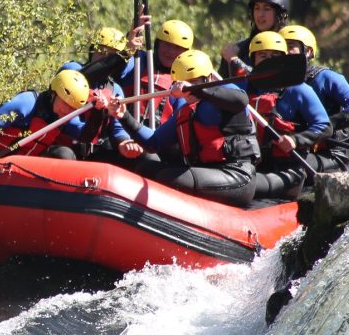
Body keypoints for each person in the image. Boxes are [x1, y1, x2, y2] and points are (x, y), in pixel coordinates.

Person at [105, 49, 261, 208]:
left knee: (168, 176)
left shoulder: (227, 91)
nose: (187, 87)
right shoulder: (185, 111)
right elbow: (153, 143)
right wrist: (124, 116)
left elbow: (241, 100)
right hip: (206, 173)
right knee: (145, 168)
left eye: (194, 81)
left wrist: (196, 89)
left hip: (237, 175)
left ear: (207, 78)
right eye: (183, 82)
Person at [244, 31, 331, 200]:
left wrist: (295, 140)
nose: (269, 61)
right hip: (252, 167)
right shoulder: (241, 87)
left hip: (288, 173)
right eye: (262, 56)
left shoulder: (298, 89)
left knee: (242, 183)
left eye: (274, 56)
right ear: (253, 60)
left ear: (283, 60)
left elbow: (325, 127)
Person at [279, 24, 349, 173]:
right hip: (295, 148)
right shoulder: (275, 84)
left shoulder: (326, 78)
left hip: (330, 154)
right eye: (282, 47)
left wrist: (321, 128)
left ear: (308, 51)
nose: (285, 52)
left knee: (289, 164)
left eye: (291, 46)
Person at [0, 69, 99, 169]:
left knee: (65, 154)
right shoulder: (26, 103)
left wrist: (99, 112)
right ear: (53, 94)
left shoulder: (66, 117)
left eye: (72, 108)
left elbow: (85, 137)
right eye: (65, 104)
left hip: (24, 167)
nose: (68, 111)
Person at [117, 19, 195, 125]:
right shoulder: (140, 59)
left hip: (156, 137)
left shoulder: (185, 79)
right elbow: (120, 68)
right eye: (167, 45)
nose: (171, 51)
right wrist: (128, 49)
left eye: (178, 48)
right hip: (124, 132)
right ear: (157, 44)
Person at [220, 0, 290, 77]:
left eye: (267, 9)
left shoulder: (290, 46)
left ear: (280, 14)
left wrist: (235, 61)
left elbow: (271, 80)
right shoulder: (241, 49)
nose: (260, 14)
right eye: (257, 8)